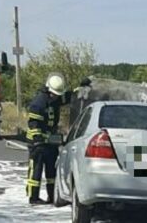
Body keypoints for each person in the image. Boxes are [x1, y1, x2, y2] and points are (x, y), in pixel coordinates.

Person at [25, 74, 91, 205]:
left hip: (49, 142)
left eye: (57, 95)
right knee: (36, 172)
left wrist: (81, 87)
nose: (56, 97)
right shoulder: (38, 103)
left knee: (51, 171)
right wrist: (39, 139)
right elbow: (33, 125)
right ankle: (34, 198)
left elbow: (68, 96)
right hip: (37, 144)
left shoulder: (55, 99)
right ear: (49, 90)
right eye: (55, 94)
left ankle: (51, 196)